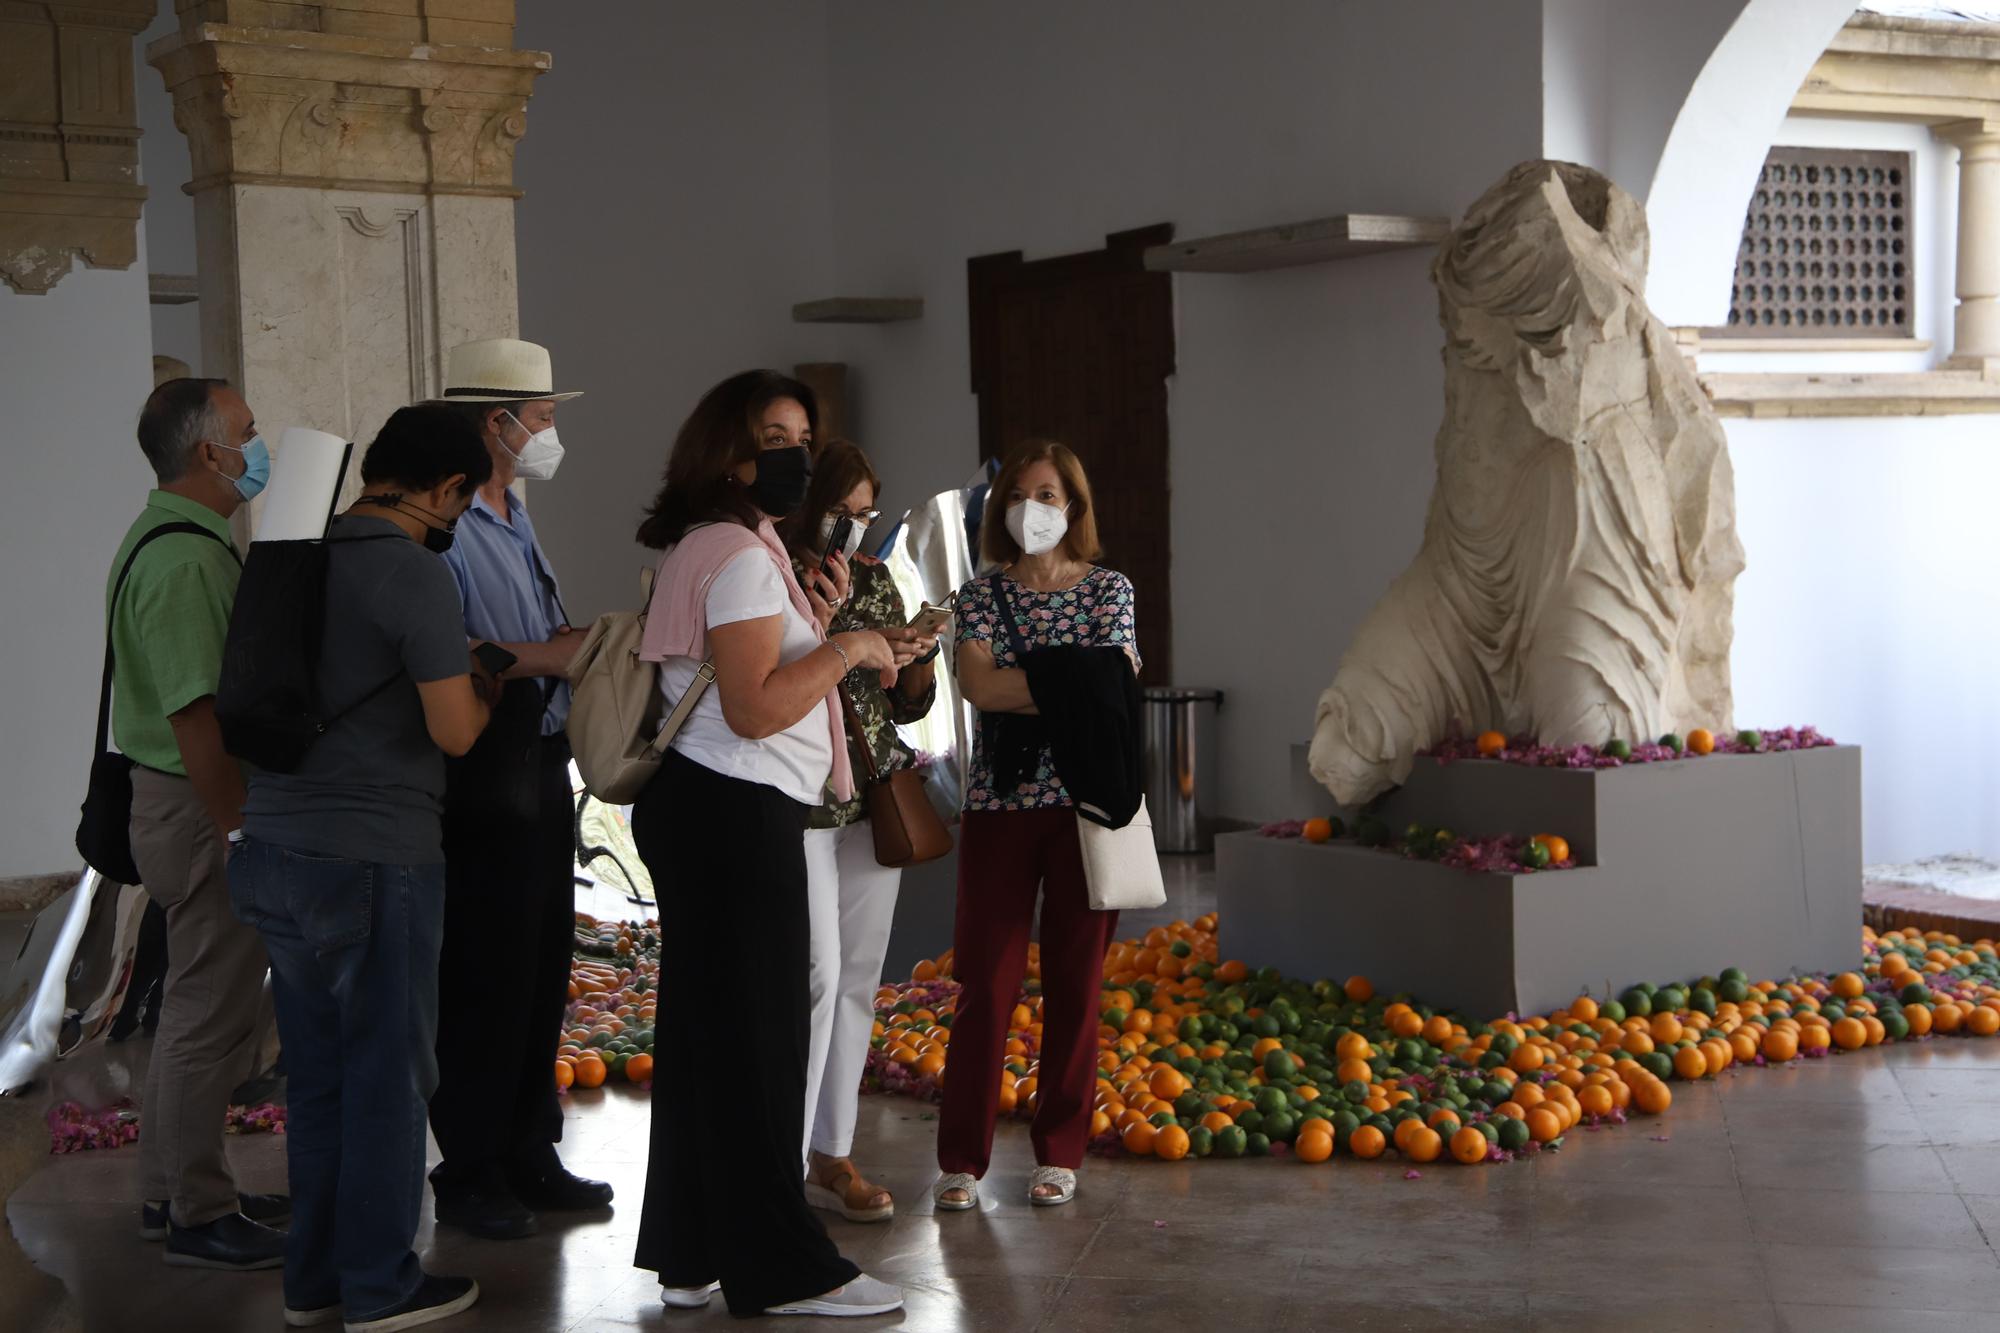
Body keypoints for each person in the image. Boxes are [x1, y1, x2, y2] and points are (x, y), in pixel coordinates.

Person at [629, 371, 911, 1318]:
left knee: (710, 1041)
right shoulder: (741, 554)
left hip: (707, 811)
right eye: (774, 438)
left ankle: (692, 1250)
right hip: (734, 814)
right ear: (731, 451)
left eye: (802, 435)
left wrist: (818, 630)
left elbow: (741, 677)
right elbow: (752, 709)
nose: (795, 455)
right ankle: (783, 1266)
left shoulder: (725, 543)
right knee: (755, 1046)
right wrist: (849, 651)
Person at [230, 403, 498, 1332]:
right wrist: (485, 683)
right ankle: (382, 1283)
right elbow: (454, 731)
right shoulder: (415, 575)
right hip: (373, 858)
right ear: (447, 490)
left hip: (271, 849)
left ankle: (315, 1280)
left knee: (319, 1080)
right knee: (388, 1078)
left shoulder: (295, 556)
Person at [424, 338, 609, 1240]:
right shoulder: (449, 526)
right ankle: (470, 1167)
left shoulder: (514, 513)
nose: (549, 431)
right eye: (539, 418)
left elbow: (533, 630)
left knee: (541, 970)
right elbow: (454, 653)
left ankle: (531, 1148)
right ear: (493, 424)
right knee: (484, 975)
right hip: (481, 765)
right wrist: (554, 655)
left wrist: (580, 645)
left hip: (539, 762)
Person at [110, 377, 289, 1269]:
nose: (260, 449)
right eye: (249, 434)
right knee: (207, 1014)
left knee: (197, 1007)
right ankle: (196, 1209)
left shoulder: (179, 537)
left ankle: (169, 1191)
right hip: (198, 799)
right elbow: (196, 714)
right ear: (208, 452)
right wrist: (241, 828)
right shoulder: (183, 558)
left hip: (184, 798)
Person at [933, 439, 1137, 1211]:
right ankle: (961, 1158)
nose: (1031, 508)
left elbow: (1113, 686)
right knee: (984, 983)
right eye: (1018, 494)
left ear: (1073, 507)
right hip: (997, 809)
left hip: (1086, 808)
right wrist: (1071, 681)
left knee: (1076, 984)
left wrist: (1033, 680)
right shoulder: (980, 595)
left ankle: (1060, 1150)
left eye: (1048, 494)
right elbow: (980, 688)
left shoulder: (1109, 588)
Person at [777, 440, 939, 1223]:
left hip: (869, 795)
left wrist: (915, 661)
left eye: (867, 514)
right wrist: (836, 627)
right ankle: (778, 1161)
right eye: (842, 512)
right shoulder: (773, 572)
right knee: (812, 974)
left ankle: (831, 1150)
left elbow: (904, 707)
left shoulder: (875, 579)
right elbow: (781, 675)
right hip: (799, 799)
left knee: (857, 977)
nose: (854, 528)